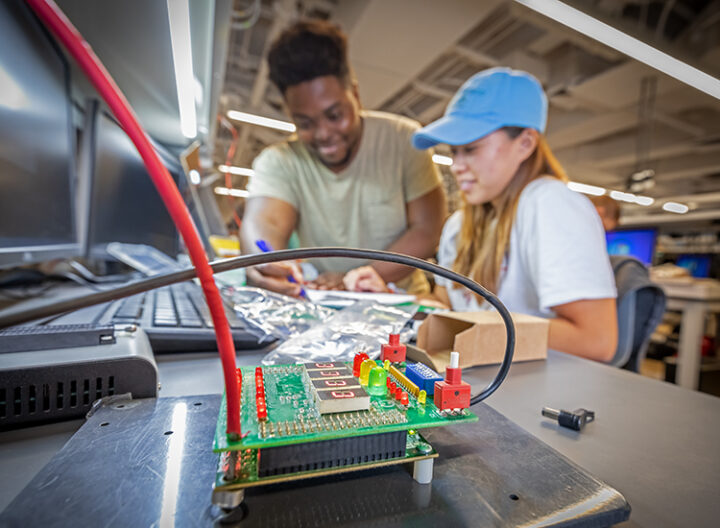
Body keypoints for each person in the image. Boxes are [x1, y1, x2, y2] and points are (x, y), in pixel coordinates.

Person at [345, 68, 618, 362]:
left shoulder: (550, 205)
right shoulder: (458, 225)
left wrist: (475, 332)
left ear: (525, 143)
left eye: (471, 149)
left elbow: (596, 341)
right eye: (454, 151)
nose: (456, 165)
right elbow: (446, 304)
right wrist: (392, 298)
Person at [239, 20, 446, 297]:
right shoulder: (279, 161)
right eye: (305, 123)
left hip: (398, 305)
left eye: (334, 115)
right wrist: (263, 260)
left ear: (356, 95)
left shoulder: (403, 139)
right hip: (323, 303)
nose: (324, 134)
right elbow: (264, 224)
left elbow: (427, 229)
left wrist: (356, 278)